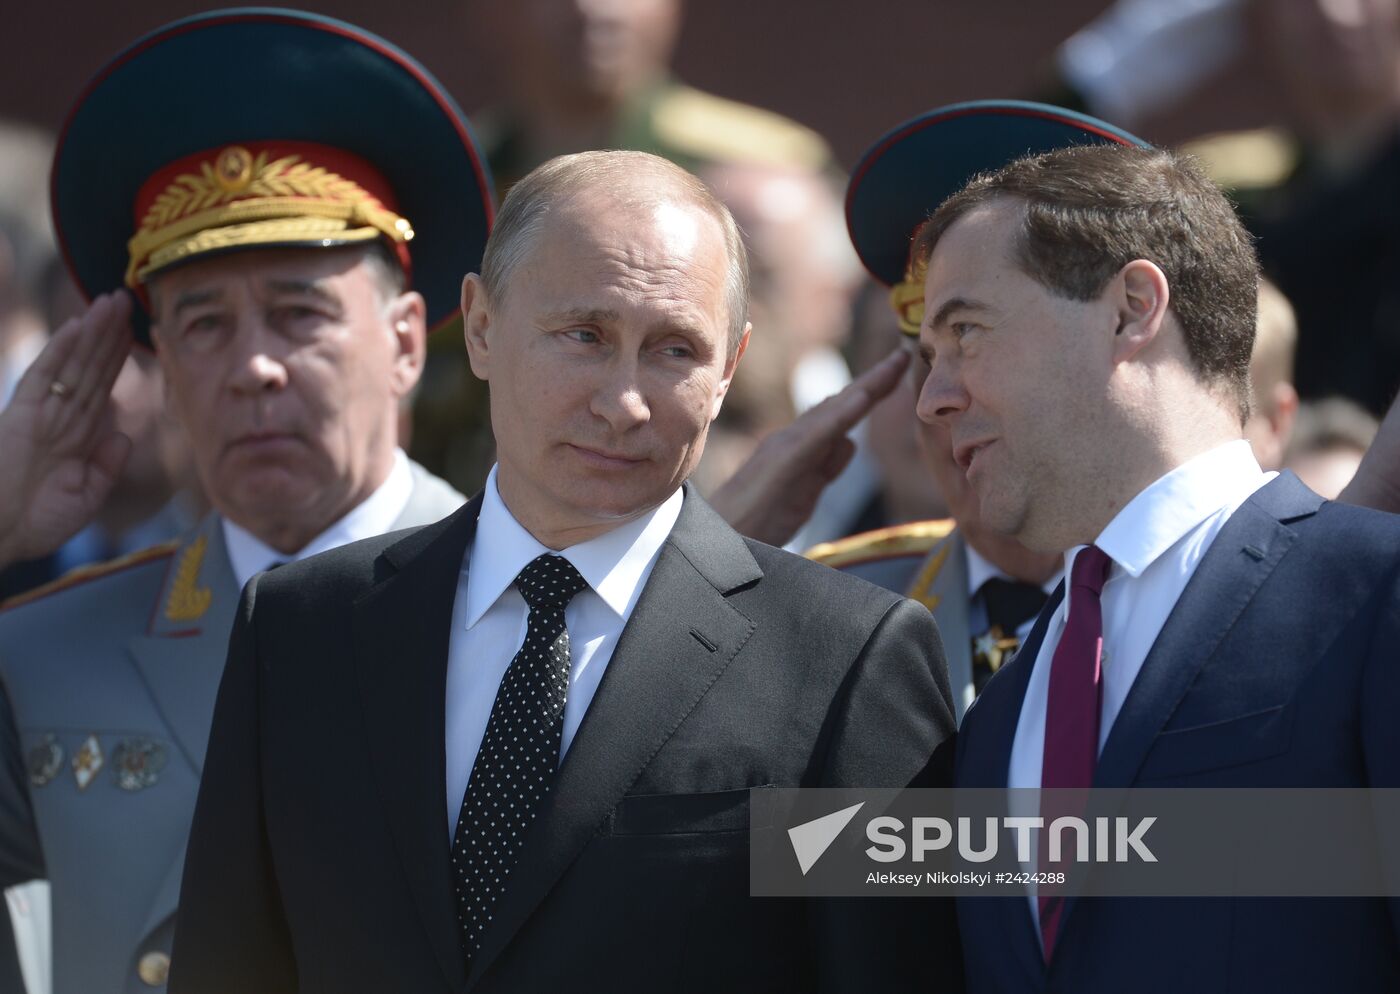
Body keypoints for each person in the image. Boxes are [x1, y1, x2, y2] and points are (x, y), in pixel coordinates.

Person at [170, 150, 957, 994]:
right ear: (479, 326)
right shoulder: (298, 629)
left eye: (675, 350)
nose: (624, 402)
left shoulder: (844, 661)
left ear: (730, 366)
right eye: (584, 336)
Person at [0, 10, 493, 993]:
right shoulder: (38, 649)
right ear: (161, 367)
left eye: (299, 312)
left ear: (404, 342)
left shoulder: (541, 615)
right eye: (203, 323)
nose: (252, 366)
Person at [880, 110, 1399, 990]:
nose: (930, 397)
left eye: (965, 331)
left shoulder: (1371, 593)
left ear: (1131, 310)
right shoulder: (1004, 699)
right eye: (925, 353)